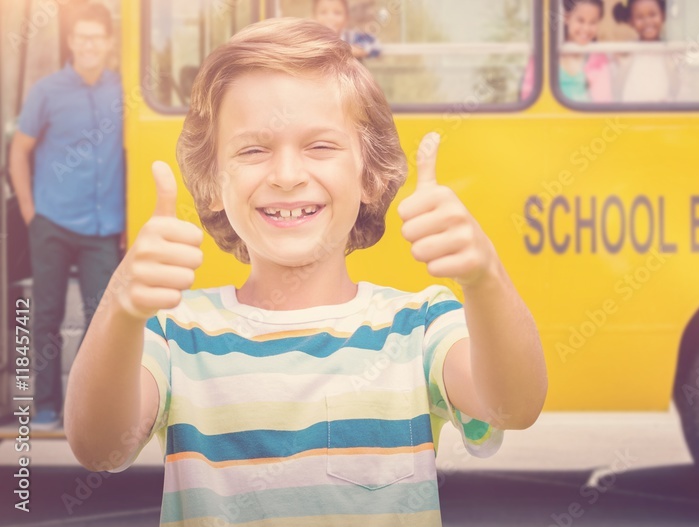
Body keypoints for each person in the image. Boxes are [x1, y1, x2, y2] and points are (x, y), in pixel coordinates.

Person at [63, 18, 547, 526]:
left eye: (320, 146)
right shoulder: (174, 331)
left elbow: (514, 407)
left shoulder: (420, 325)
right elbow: (98, 449)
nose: (288, 176)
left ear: (370, 174)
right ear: (210, 182)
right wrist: (122, 307)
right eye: (253, 150)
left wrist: (484, 278)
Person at [9, 2, 124, 429]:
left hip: (103, 227)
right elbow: (18, 151)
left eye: (96, 37)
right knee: (47, 317)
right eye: (81, 38)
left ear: (109, 43)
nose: (89, 45)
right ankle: (44, 407)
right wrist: (29, 211)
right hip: (52, 223)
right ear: (72, 42)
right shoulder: (47, 90)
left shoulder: (122, 90)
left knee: (103, 321)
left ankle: (84, 406)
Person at [521, 0, 613, 103]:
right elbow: (527, 95)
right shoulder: (545, 52)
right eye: (580, 20)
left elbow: (603, 101)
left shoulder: (598, 58)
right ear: (566, 17)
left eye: (593, 22)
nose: (586, 28)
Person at [612, 0, 683, 103]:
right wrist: (622, 64)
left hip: (662, 114)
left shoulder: (671, 50)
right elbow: (616, 90)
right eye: (640, 17)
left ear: (663, 15)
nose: (647, 22)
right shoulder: (627, 51)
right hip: (631, 113)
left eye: (652, 14)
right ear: (631, 21)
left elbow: (678, 90)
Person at [313, 0, 381, 60]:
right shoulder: (312, 37)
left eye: (337, 13)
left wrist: (358, 50)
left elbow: (376, 46)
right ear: (314, 17)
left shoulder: (351, 36)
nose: (330, 18)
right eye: (323, 12)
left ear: (346, 18)